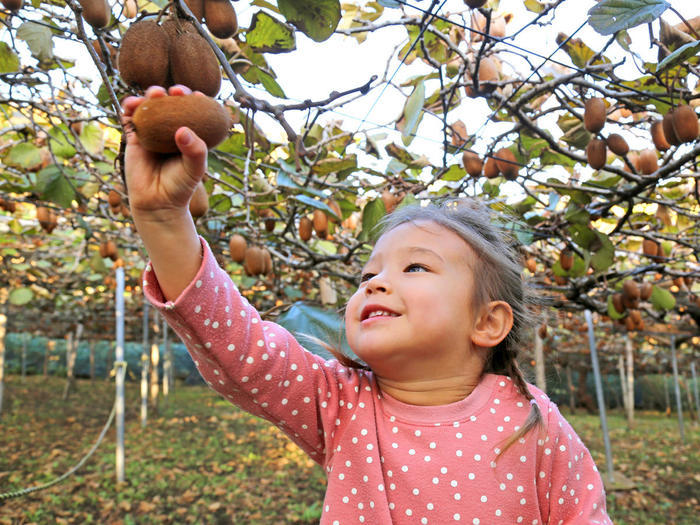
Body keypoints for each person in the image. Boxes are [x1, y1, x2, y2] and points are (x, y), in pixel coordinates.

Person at [123, 85, 613, 525]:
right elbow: (239, 348)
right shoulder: (340, 404)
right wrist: (164, 219)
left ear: (488, 322)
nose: (376, 283)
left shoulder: (534, 422)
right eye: (368, 274)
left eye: (415, 268)